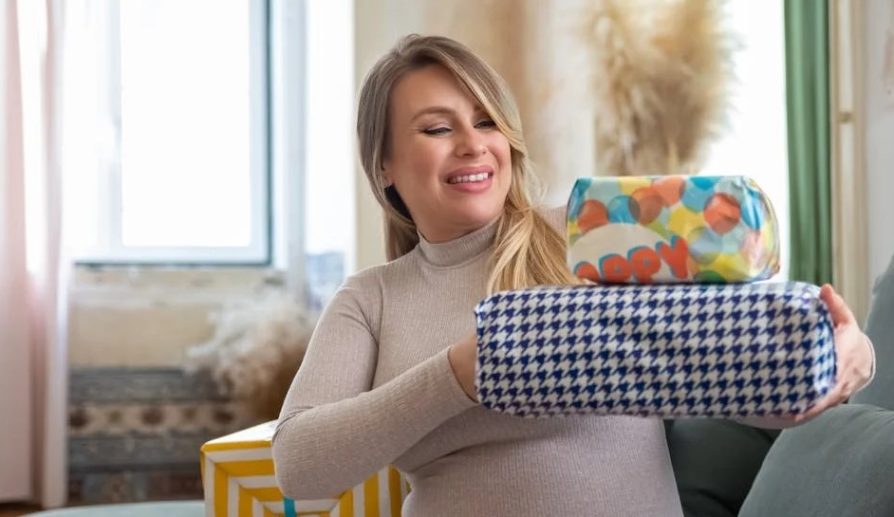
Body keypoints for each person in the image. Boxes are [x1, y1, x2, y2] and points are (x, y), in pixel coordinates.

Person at [272, 34, 875, 516]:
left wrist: (849, 357)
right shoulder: (370, 300)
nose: (473, 145)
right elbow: (299, 466)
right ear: (383, 164)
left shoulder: (597, 236)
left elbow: (737, 373)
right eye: (437, 128)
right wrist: (459, 373)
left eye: (487, 123)